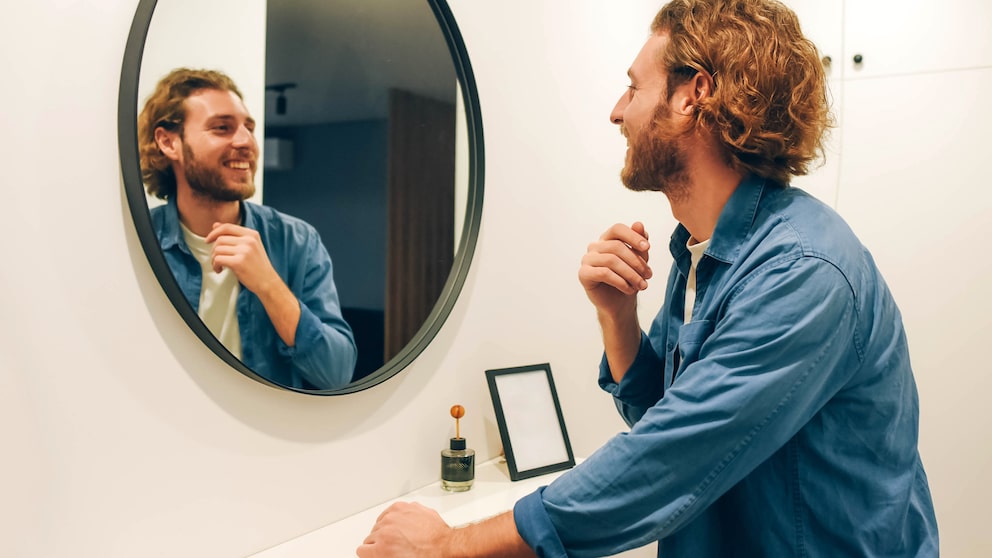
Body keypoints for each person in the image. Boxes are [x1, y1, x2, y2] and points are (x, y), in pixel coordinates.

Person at [357, 0, 939, 556]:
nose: (617, 110)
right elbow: (662, 413)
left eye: (634, 87)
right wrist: (618, 318)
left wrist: (451, 545)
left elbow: (669, 460)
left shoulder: (802, 271)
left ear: (695, 95)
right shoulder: (701, 251)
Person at [138, 68, 357, 391]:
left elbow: (337, 372)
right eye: (222, 128)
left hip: (260, 438)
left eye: (248, 128)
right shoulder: (138, 243)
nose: (246, 142)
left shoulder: (297, 241)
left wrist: (269, 285)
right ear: (169, 142)